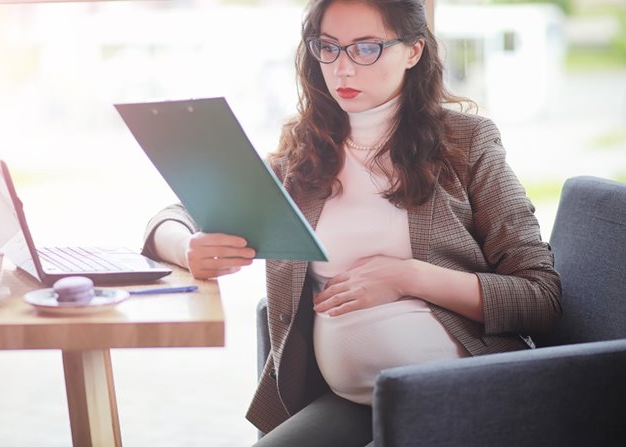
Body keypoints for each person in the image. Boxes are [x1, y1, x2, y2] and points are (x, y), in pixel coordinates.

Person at [141, 0, 562, 445]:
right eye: (329, 47)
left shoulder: (467, 142)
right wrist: (186, 246)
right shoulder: (304, 157)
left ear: (414, 51)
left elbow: (541, 299)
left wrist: (408, 277)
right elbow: (172, 216)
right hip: (353, 403)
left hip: (460, 394)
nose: (342, 69)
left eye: (366, 49)